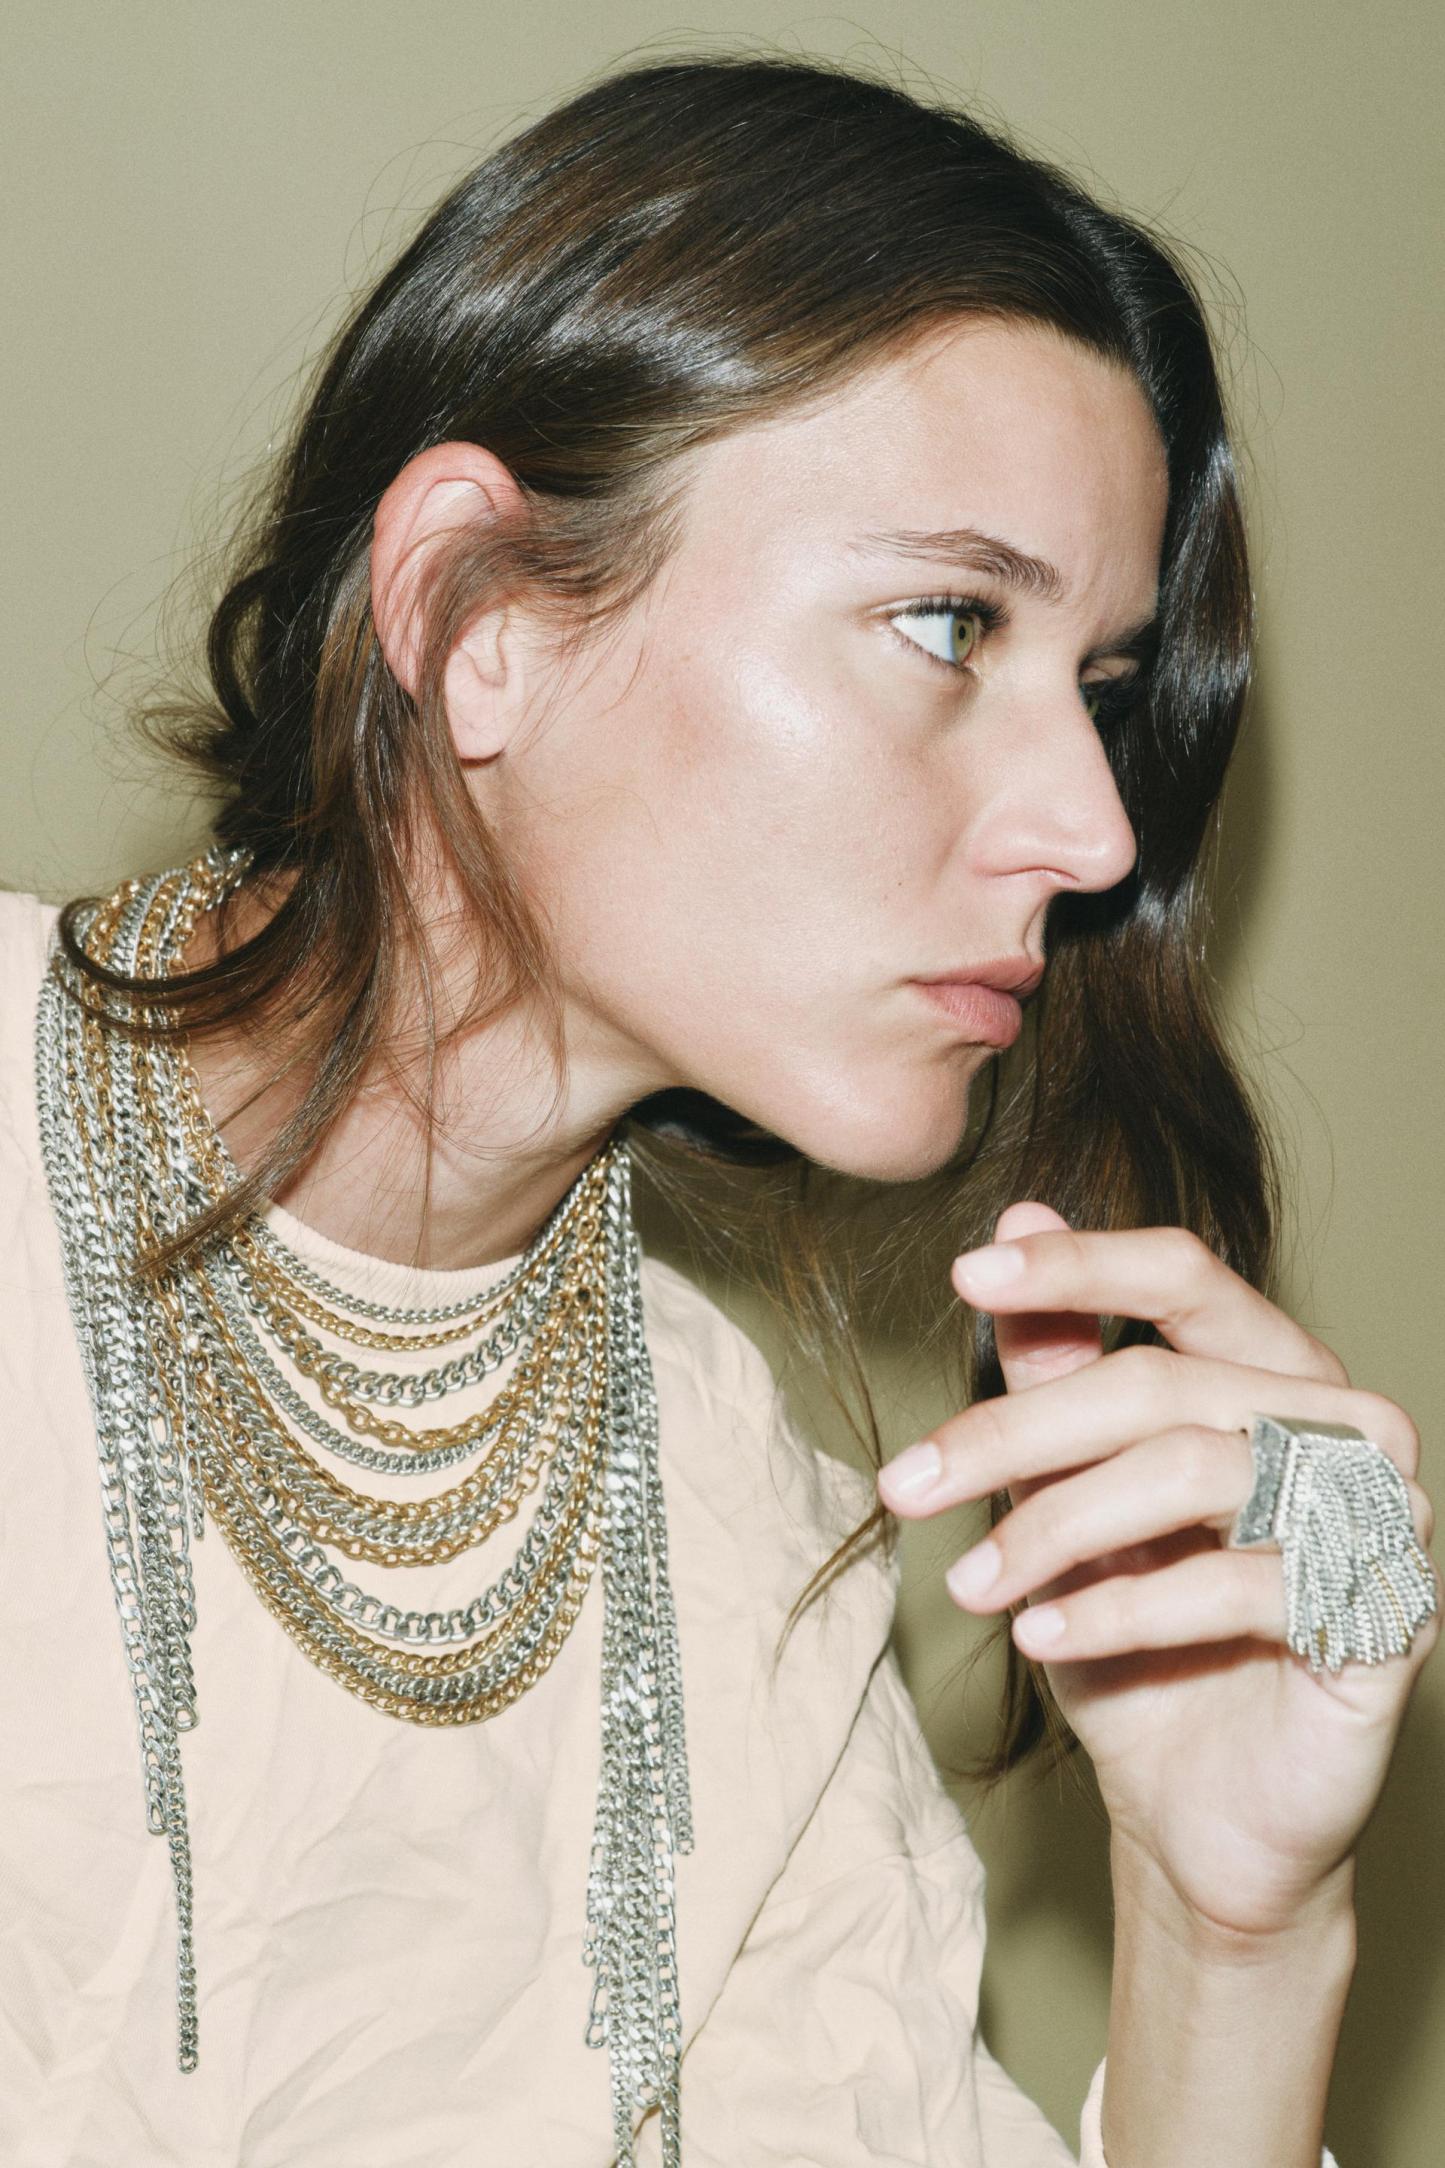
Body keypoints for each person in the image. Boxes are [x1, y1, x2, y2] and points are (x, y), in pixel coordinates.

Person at [1, 49, 1436, 2168]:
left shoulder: (750, 1555)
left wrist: (1239, 1931)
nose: (1088, 828)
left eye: (1102, 694)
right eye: (946, 623)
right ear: (476, 613)